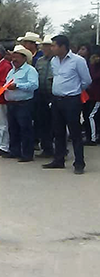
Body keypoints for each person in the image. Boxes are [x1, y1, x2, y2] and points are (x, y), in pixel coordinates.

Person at [43, 35, 92, 174]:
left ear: (63, 46)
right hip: (56, 99)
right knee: (58, 131)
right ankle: (59, 159)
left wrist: (74, 90)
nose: (51, 48)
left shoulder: (78, 61)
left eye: (54, 45)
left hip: (71, 100)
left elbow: (86, 81)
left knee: (75, 132)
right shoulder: (54, 61)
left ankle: (79, 163)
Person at [3, 45, 39, 162]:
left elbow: (34, 85)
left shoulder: (30, 70)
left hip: (23, 103)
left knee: (25, 129)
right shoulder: (11, 71)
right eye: (13, 57)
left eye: (17, 57)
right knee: (13, 128)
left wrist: (18, 86)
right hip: (12, 103)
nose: (14, 59)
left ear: (24, 58)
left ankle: (27, 154)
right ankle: (14, 151)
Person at [34, 36, 55, 158]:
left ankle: (59, 149)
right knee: (43, 123)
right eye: (44, 46)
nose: (45, 48)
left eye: (48, 46)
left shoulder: (57, 61)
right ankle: (47, 149)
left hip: (53, 95)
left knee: (56, 124)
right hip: (41, 95)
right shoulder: (40, 61)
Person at [84, 46, 100, 145]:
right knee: (90, 115)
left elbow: (92, 77)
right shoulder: (91, 65)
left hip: (96, 95)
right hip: (92, 94)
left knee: (91, 116)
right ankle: (90, 135)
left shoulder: (93, 66)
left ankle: (92, 137)